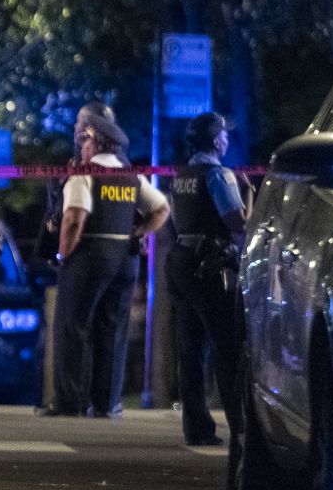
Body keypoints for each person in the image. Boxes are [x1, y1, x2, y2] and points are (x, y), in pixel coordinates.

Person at [39, 112, 169, 417]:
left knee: (72, 328)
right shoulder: (132, 177)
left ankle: (69, 402)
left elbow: (73, 219)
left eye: (84, 140)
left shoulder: (85, 175)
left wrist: (62, 255)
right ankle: (107, 403)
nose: (81, 146)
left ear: (95, 143)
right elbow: (161, 209)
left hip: (88, 258)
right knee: (113, 330)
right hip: (125, 261)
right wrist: (137, 232)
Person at [168, 111, 249, 446]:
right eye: (224, 135)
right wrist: (250, 196)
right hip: (209, 264)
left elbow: (177, 218)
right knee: (226, 345)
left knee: (190, 349)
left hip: (182, 260)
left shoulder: (182, 173)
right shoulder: (219, 174)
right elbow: (237, 222)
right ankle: (242, 427)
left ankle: (196, 427)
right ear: (217, 141)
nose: (227, 139)